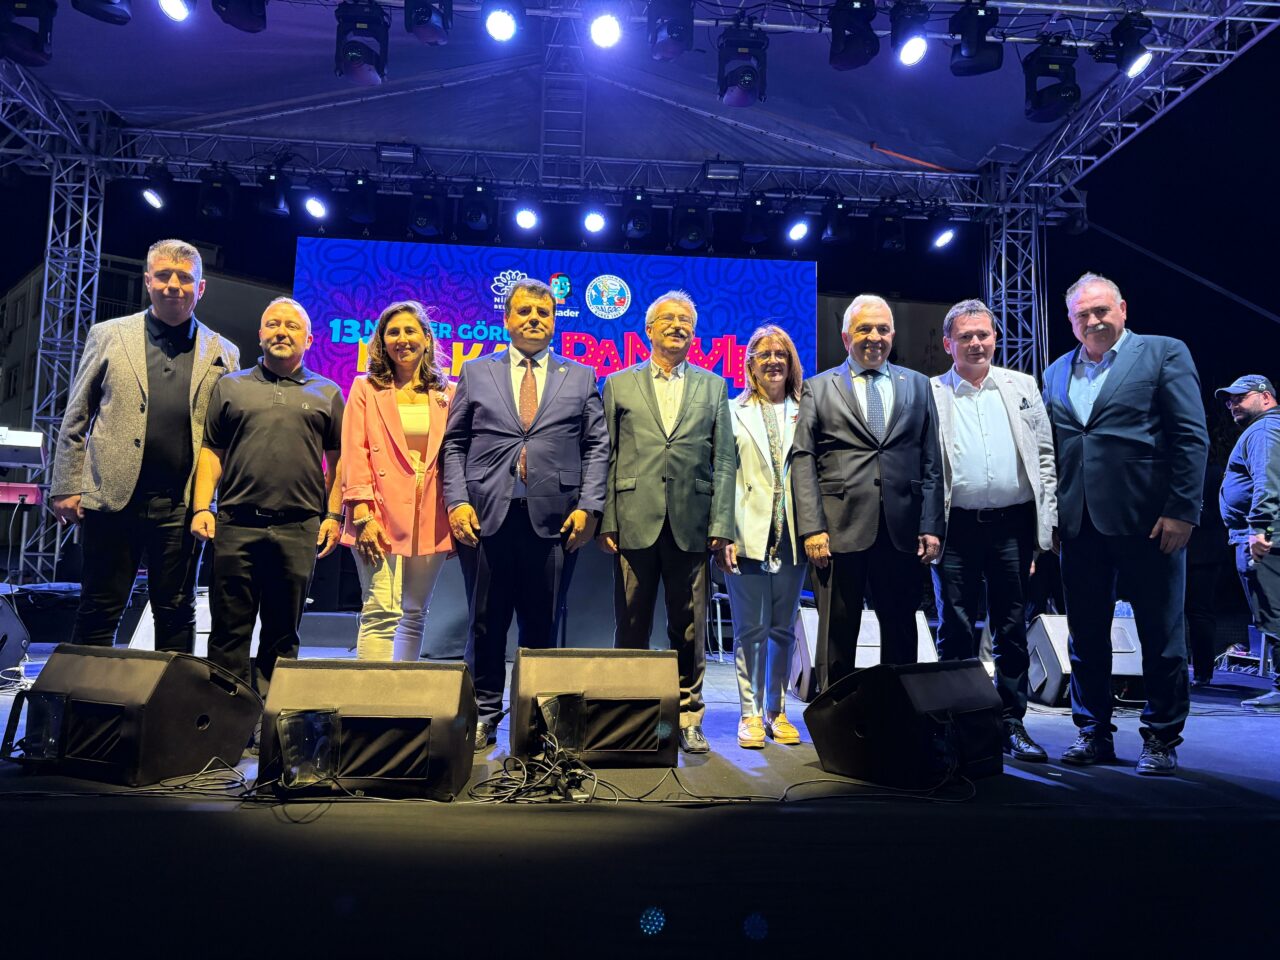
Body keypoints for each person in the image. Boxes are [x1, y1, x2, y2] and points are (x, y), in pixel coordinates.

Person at [1042, 273, 1208, 775]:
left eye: (1101, 311)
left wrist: (1182, 509)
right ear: (1070, 321)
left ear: (1123, 309)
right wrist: (1051, 517)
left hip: (1151, 523)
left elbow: (1190, 436)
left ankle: (1161, 737)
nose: (1093, 321)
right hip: (1079, 525)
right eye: (1082, 315)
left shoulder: (1163, 353)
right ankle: (1093, 732)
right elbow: (1051, 449)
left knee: (1162, 636)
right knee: (1085, 638)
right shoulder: (1054, 371)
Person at [442, 279, 609, 751]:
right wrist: (456, 501)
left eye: (543, 313)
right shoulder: (476, 371)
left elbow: (597, 446)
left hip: (555, 521)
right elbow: (454, 444)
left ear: (555, 322)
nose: (535, 319)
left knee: (541, 624)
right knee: (486, 623)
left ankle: (535, 717)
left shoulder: (581, 376)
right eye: (525, 311)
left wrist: (589, 506)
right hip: (486, 516)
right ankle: (485, 713)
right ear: (507, 319)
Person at [49, 239, 239, 651]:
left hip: (182, 505)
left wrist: (213, 502)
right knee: (99, 610)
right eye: (164, 275)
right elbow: (76, 414)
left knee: (176, 612)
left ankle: (172, 696)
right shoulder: (108, 335)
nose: (173, 285)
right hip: (112, 499)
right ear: (148, 280)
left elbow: (226, 436)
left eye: (184, 277)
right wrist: (65, 485)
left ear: (200, 288)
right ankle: (88, 695)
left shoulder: (225, 352)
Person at [598, 291, 735, 754]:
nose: (678, 326)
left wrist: (721, 522)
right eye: (668, 319)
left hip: (692, 524)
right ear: (649, 330)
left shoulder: (713, 386)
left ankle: (688, 716)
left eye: (686, 321)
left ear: (694, 333)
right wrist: (607, 520)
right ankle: (629, 714)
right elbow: (608, 456)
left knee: (690, 627)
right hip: (633, 520)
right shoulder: (617, 384)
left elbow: (724, 461)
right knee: (631, 624)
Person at [191, 298, 344, 695]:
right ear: (260, 335)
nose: (281, 331)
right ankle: (226, 717)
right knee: (228, 631)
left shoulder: (328, 392)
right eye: (273, 324)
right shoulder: (231, 386)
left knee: (283, 633)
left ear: (309, 339)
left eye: (292, 326)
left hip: (298, 527)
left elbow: (338, 460)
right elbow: (211, 452)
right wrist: (201, 507)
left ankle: (271, 718)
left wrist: (333, 516)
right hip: (235, 525)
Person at [792, 294, 944, 692]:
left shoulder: (918, 385)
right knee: (837, 633)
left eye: (882, 329)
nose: (874, 337)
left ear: (892, 335)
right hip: (837, 531)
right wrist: (812, 528)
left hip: (901, 530)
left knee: (901, 631)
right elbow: (803, 460)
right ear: (846, 337)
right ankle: (837, 719)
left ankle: (896, 715)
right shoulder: (818, 387)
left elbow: (931, 460)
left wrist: (931, 525)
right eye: (864, 329)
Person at [928, 299, 1057, 762]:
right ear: (948, 344)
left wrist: (1045, 530)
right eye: (965, 336)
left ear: (995, 338)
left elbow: (1045, 458)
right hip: (955, 528)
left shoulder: (1023, 386)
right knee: (955, 628)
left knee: (1011, 627)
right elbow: (926, 468)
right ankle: (957, 724)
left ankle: (1010, 723)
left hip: (1012, 526)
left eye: (983, 334)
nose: (976, 343)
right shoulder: (931, 392)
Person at [340, 301, 454, 662]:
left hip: (430, 514)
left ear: (427, 338)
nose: (402, 339)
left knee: (415, 613)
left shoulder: (449, 393)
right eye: (393, 332)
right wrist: (362, 515)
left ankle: (403, 694)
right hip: (377, 513)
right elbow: (354, 451)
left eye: (410, 331)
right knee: (380, 610)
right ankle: (373, 696)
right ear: (382, 341)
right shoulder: (365, 389)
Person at [716, 326, 807, 750]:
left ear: (791, 363)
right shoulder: (731, 411)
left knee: (783, 629)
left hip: (793, 536)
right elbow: (723, 476)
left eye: (781, 354)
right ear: (749, 364)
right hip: (747, 533)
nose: (773, 361)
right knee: (750, 630)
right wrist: (723, 534)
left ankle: (777, 710)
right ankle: (749, 713)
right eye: (764, 354)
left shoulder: (807, 411)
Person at [1217, 375, 1280, 710]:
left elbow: (1267, 479)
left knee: (1274, 612)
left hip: (1262, 539)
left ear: (1265, 397)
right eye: (1229, 400)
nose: (1232, 404)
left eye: (1240, 397)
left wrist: (1259, 527)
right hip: (1260, 535)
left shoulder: (1264, 429)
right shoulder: (1263, 430)